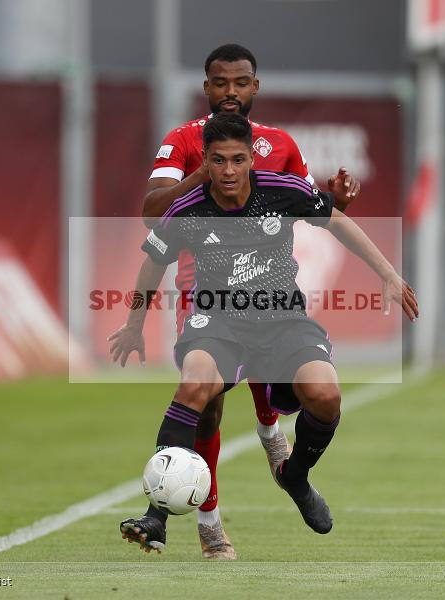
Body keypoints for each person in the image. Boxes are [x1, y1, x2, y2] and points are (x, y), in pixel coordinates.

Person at [111, 112, 418, 553]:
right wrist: (133, 324)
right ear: (207, 164)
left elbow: (337, 220)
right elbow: (152, 264)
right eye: (218, 161)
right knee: (195, 385)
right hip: (218, 322)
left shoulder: (282, 190)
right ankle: (156, 517)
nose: (229, 171)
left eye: (238, 160)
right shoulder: (187, 208)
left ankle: (294, 477)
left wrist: (388, 274)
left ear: (252, 160)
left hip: (282, 319)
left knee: (326, 396)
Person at [138, 43, 361, 560]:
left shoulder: (280, 145)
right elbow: (152, 216)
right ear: (206, 87)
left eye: (240, 84)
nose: (230, 93)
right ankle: (210, 522)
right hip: (203, 286)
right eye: (220, 84)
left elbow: (309, 204)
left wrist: (339, 202)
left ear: (255, 88)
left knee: (281, 358)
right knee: (207, 403)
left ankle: (269, 430)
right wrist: (202, 174)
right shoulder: (183, 141)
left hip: (265, 285)